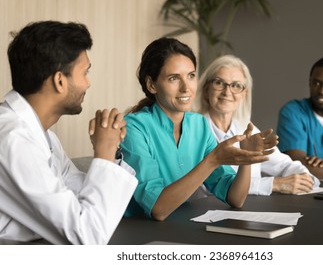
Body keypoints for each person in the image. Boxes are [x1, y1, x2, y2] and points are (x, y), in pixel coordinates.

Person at [0, 21, 138, 244]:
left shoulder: (44, 137)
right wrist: (103, 153)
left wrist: (110, 151)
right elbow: (87, 238)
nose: (88, 83)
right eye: (85, 73)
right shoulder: (13, 140)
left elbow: (80, 194)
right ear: (60, 81)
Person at [121, 37, 278, 221]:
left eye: (191, 76)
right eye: (174, 78)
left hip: (181, 227)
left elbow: (235, 198)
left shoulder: (198, 124)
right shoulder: (133, 127)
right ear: (151, 85)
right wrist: (212, 160)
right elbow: (158, 209)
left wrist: (247, 158)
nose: (186, 88)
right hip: (137, 232)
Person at [194, 54, 319, 195]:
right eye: (219, 83)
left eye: (236, 85)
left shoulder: (246, 129)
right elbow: (211, 186)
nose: (227, 92)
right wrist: (274, 184)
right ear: (206, 90)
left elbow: (283, 164)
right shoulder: (193, 131)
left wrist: (305, 178)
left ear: (244, 94)